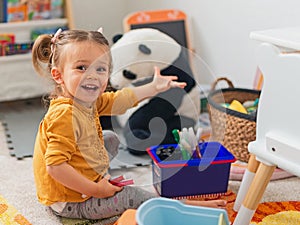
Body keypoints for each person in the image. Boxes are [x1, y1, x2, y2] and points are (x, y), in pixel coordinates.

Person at [32, 27, 226, 221]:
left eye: (100, 69)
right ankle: (183, 207)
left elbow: (120, 100)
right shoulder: (65, 114)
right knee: (131, 196)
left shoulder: (86, 101)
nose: (92, 76)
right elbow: (55, 167)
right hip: (70, 202)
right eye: (81, 67)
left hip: (80, 183)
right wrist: (96, 189)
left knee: (110, 139)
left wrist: (153, 87)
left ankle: (97, 177)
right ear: (58, 75)